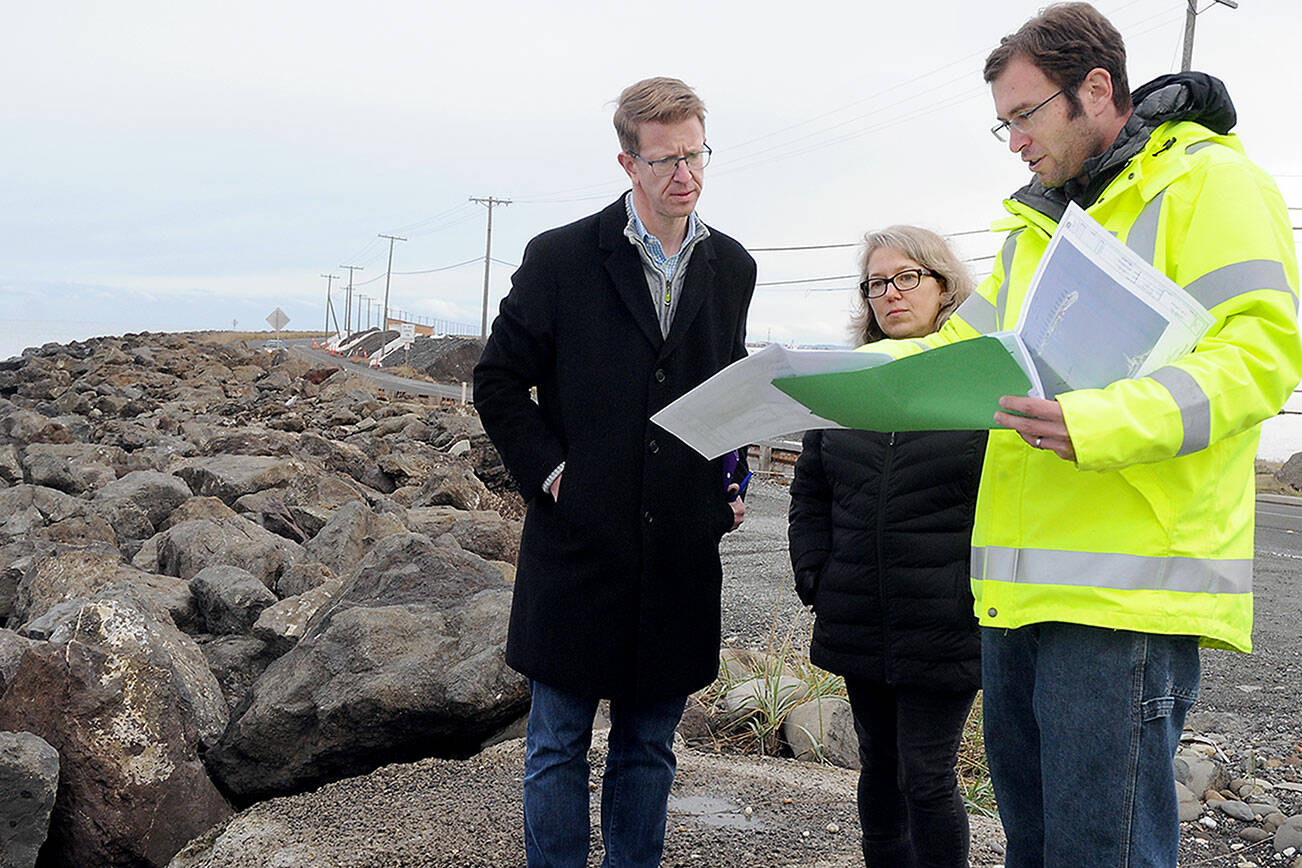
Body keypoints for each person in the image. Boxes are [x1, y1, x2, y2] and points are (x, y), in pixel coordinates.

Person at [857, 4, 1301, 864]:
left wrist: (1096, 421)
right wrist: (848, 381)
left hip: (1124, 593)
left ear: (1095, 89)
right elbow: (968, 348)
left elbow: (1260, 357)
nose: (1014, 141)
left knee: (1102, 853)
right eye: (1004, 124)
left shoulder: (1210, 184)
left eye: (1024, 116)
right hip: (1017, 595)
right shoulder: (1038, 225)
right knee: (1036, 847)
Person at [473, 76, 756, 868]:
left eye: (696, 155)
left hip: (677, 555)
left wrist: (729, 482)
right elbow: (497, 380)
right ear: (628, 162)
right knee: (557, 745)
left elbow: (726, 388)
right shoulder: (562, 256)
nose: (685, 175)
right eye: (666, 160)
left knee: (649, 748)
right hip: (579, 545)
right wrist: (553, 474)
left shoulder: (732, 266)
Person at [788, 226, 985, 867]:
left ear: (943, 284)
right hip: (859, 612)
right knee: (877, 765)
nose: (890, 294)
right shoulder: (847, 383)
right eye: (877, 283)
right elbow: (810, 487)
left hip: (945, 617)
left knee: (926, 773)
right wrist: (815, 571)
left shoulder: (979, 380)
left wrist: (976, 591)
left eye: (907, 278)